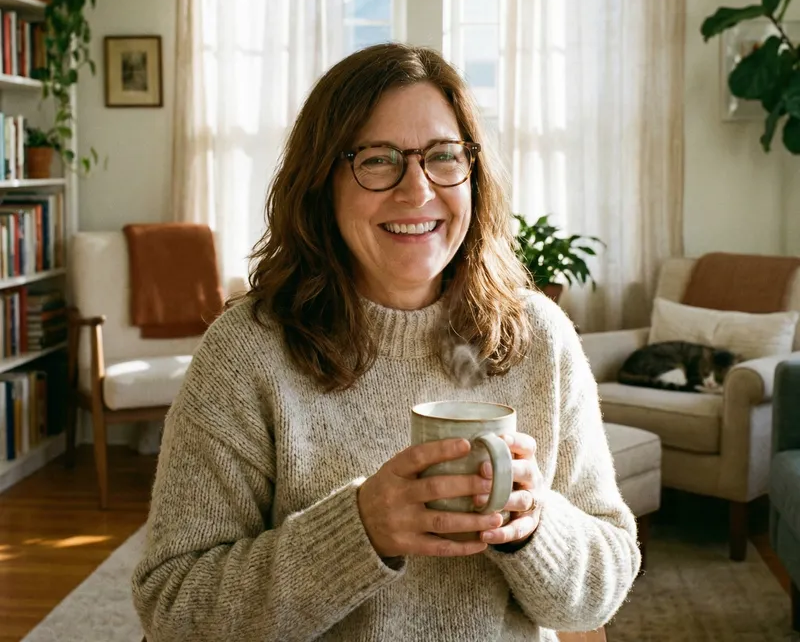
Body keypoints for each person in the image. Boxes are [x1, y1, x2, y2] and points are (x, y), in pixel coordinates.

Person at [132, 43, 639, 641]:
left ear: (471, 171)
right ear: (322, 181)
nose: (417, 191)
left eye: (443, 157)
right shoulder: (247, 353)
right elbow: (173, 607)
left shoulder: (539, 337)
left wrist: (534, 526)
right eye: (377, 160)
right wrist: (358, 532)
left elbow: (600, 591)